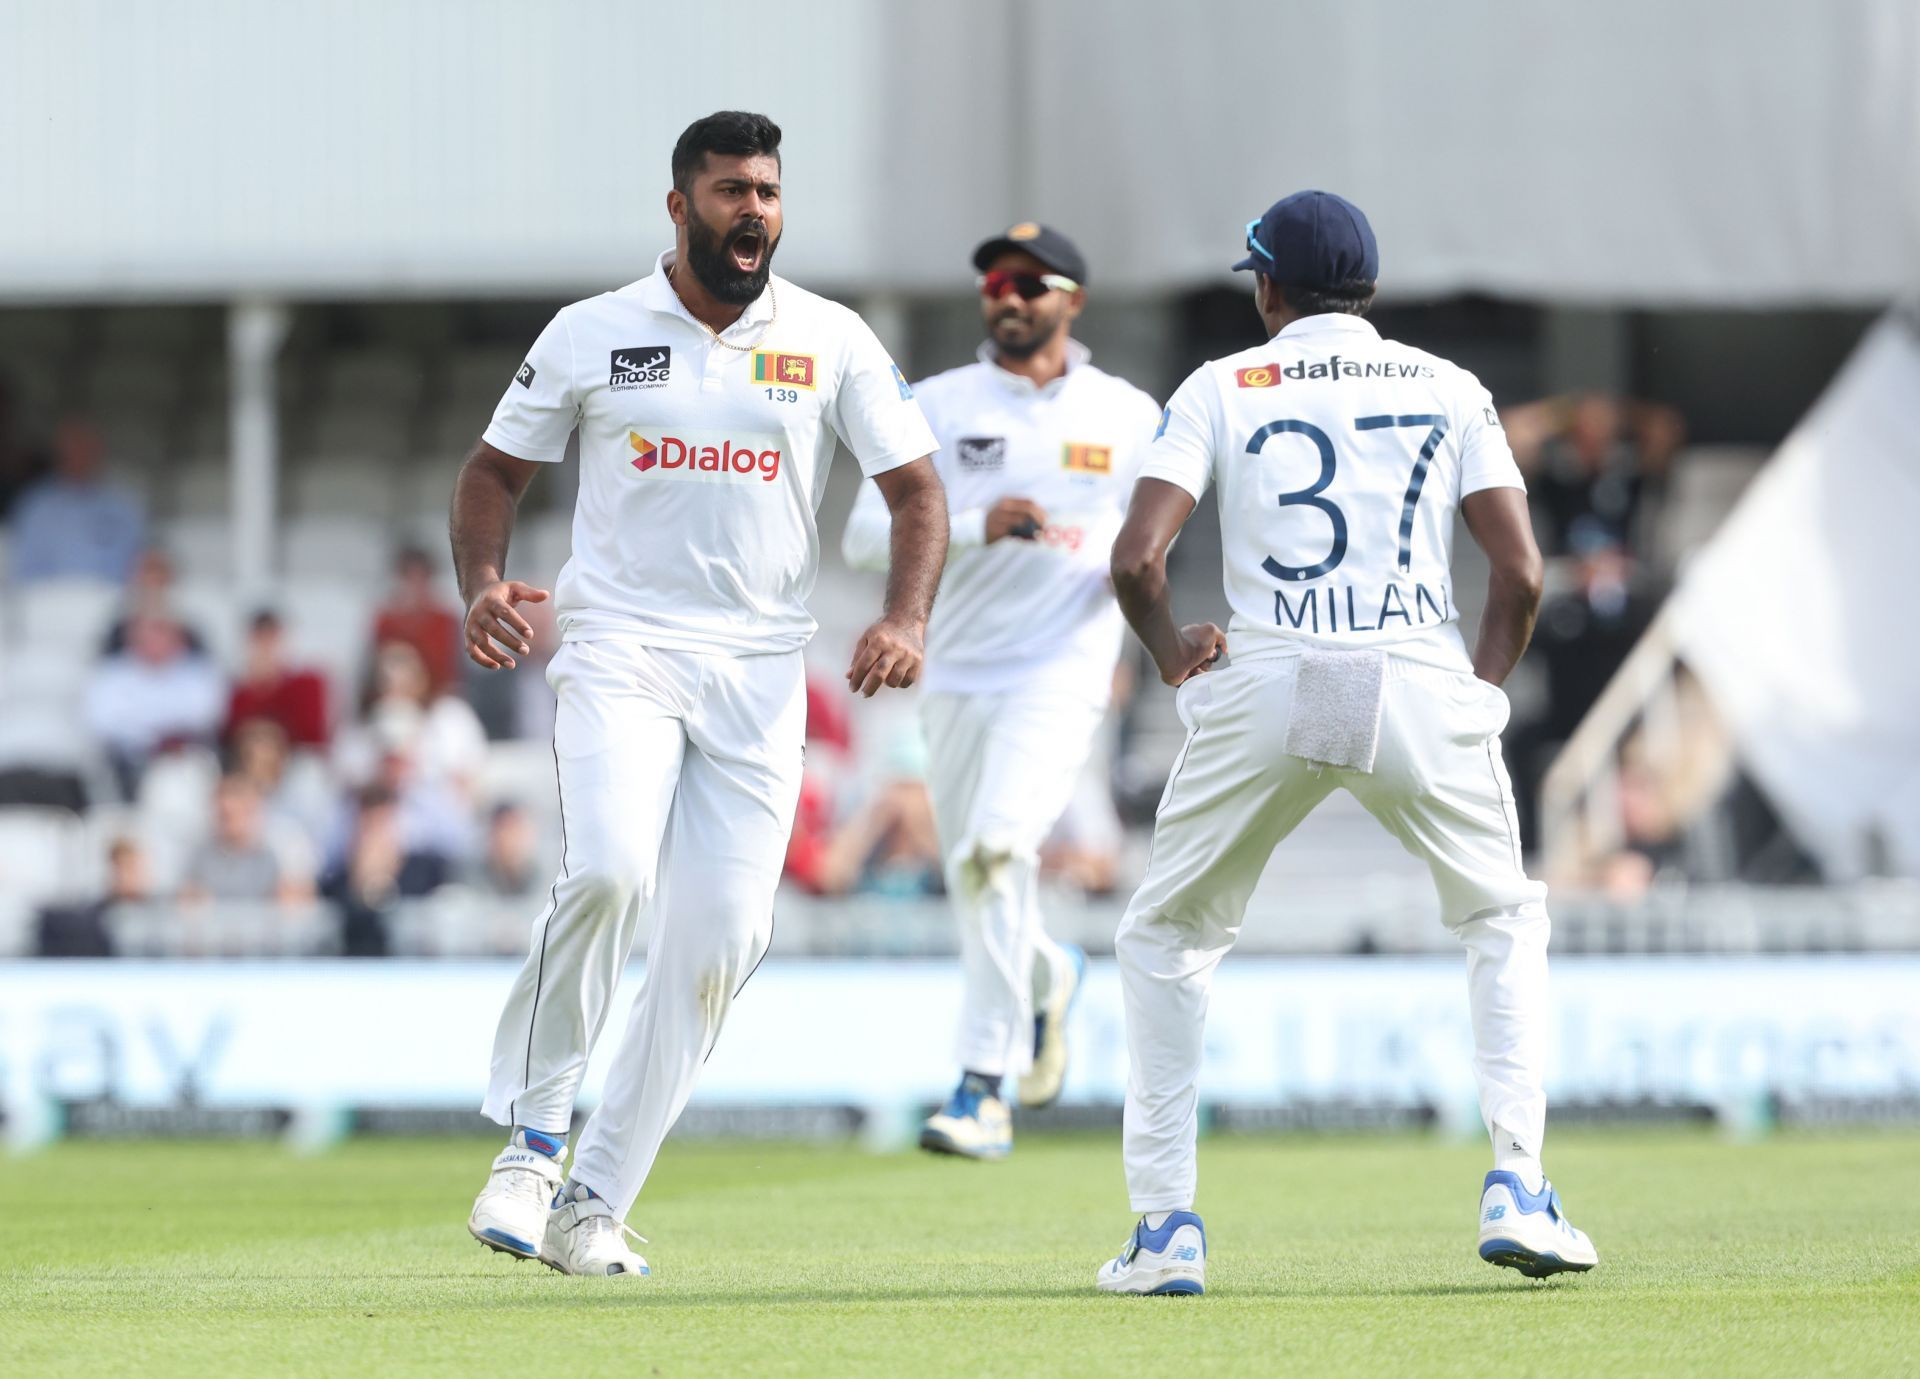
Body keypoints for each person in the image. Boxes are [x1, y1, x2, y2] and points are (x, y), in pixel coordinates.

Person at [455, 111, 946, 1277]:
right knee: (613, 868)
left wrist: (906, 613)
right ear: (679, 207)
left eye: (769, 192)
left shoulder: (829, 337)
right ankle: (531, 1139)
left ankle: (597, 1199)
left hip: (761, 665)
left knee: (726, 934)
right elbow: (492, 471)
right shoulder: (592, 331)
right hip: (621, 641)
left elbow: (919, 492)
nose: (755, 212)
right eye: (732, 191)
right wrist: (480, 579)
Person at [1094, 191, 1598, 1296]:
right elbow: (1518, 573)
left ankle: (1165, 1227)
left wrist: (1178, 656)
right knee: (1501, 919)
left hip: (1267, 676)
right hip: (1413, 671)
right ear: (1367, 287)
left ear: (1268, 289)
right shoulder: (1448, 384)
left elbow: (1136, 560)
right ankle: (1519, 1181)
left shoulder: (1219, 384)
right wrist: (1470, 693)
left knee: (1167, 934)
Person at [842, 223, 1160, 1158]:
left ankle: (982, 1086)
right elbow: (866, 538)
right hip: (958, 673)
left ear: (1074, 299)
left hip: (1061, 671)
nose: (1007, 296)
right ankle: (1044, 974)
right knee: (977, 870)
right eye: (993, 283)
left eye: (1030, 282)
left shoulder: (1126, 413)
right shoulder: (937, 402)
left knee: (995, 846)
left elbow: (1148, 550)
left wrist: (1140, 630)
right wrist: (978, 524)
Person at [83, 612, 226, 797]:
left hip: (187, 760)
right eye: (149, 636)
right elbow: (100, 722)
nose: (156, 643)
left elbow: (208, 716)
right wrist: (159, 732)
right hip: (130, 762)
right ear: (133, 639)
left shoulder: (198, 672)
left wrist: (145, 724)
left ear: (178, 639)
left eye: (163, 635)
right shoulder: (111, 674)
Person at [7, 417, 146, 585]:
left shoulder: (123, 506)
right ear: (60, 455)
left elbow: (140, 565)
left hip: (113, 603)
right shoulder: (35, 507)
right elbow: (24, 573)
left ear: (98, 452)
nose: (79, 456)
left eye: (86, 449)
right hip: (50, 603)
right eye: (72, 449)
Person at [179, 770, 316, 906]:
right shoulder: (200, 854)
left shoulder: (279, 846)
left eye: (233, 813)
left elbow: (299, 900)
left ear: (252, 808)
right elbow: (186, 901)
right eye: (223, 815)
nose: (227, 820)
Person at [225, 609, 331, 748]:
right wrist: (257, 688)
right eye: (260, 640)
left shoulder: (308, 682)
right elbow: (234, 737)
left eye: (272, 639)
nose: (267, 648)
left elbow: (312, 733)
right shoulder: (241, 692)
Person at [372, 547, 464, 699]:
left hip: (436, 699)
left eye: (420, 578)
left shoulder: (446, 620)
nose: (414, 586)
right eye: (408, 577)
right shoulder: (385, 621)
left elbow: (454, 671)